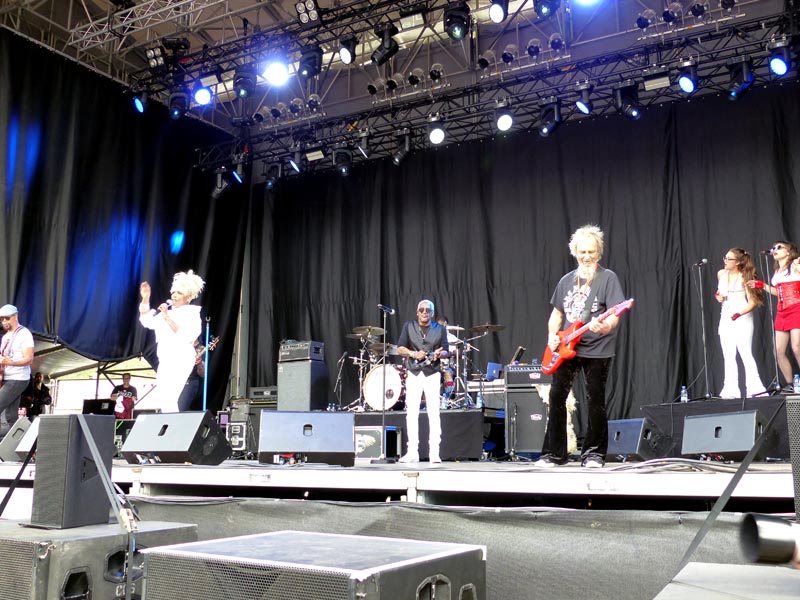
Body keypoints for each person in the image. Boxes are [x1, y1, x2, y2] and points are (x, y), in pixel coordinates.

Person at [536, 225, 626, 469]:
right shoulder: (566, 280)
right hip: (567, 346)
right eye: (582, 252)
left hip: (597, 348)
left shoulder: (608, 278)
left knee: (594, 398)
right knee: (556, 396)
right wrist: (552, 337)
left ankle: (594, 454)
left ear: (599, 252)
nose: (587, 256)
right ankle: (555, 454)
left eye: (591, 252)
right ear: (574, 252)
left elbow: (614, 315)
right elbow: (557, 314)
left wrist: (603, 327)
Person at [138, 270, 204, 412]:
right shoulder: (168, 312)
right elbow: (147, 321)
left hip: (181, 358)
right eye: (173, 292)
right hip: (165, 358)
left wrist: (167, 318)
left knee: (170, 396)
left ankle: (170, 423)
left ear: (188, 296)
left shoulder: (192, 313)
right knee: (163, 397)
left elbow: (187, 335)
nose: (174, 295)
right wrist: (145, 299)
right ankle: (168, 422)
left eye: (179, 293)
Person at [396, 300, 449, 463]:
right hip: (414, 373)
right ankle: (412, 451)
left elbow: (446, 350)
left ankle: (434, 452)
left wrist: (441, 354)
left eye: (428, 310)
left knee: (434, 413)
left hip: (432, 373)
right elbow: (400, 348)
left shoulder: (440, 329)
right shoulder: (409, 326)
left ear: (432, 313)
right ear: (417, 312)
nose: (424, 312)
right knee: (412, 413)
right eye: (422, 309)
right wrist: (413, 354)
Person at [748, 241, 800, 390]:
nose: (774, 249)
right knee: (779, 350)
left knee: (796, 347)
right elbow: (778, 292)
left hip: (797, 307)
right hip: (782, 311)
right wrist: (763, 286)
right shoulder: (777, 271)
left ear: (789, 252)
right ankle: (790, 385)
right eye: (773, 247)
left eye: (779, 247)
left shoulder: (795, 265)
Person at [715, 248, 766, 398]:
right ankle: (730, 389)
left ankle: (755, 389)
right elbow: (720, 293)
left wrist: (739, 314)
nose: (725, 261)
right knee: (728, 354)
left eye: (729, 259)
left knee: (745, 352)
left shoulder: (744, 277)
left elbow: (753, 302)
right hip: (726, 315)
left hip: (742, 315)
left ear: (737, 262)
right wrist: (718, 296)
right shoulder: (721, 274)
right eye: (725, 257)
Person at [0, 304, 35, 437]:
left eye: (7, 318)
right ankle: (22, 441)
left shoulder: (24, 334)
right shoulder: (5, 337)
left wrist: (11, 363)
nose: (4, 321)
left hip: (18, 378)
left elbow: (29, 359)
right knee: (11, 416)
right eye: (2, 319)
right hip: (8, 377)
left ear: (16, 316)